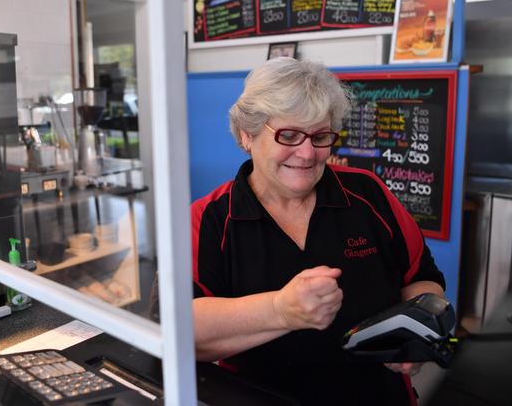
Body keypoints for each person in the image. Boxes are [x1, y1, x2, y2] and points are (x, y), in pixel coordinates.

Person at [191, 58, 445, 406]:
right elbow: (184, 331)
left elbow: (423, 279)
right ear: (246, 135)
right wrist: (281, 310)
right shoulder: (208, 218)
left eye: (320, 136)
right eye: (289, 135)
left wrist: (417, 330)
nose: (308, 153)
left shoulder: (368, 194)